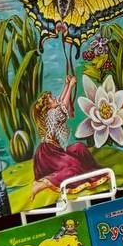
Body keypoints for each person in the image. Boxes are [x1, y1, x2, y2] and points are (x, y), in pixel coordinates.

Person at [27, 61, 100, 204]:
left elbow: (60, 101)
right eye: (51, 99)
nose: (54, 98)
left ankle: (92, 172)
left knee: (79, 147)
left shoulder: (52, 111)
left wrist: (66, 85)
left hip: (54, 150)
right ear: (48, 106)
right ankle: (43, 184)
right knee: (73, 168)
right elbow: (63, 106)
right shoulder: (52, 115)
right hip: (48, 154)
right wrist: (71, 86)